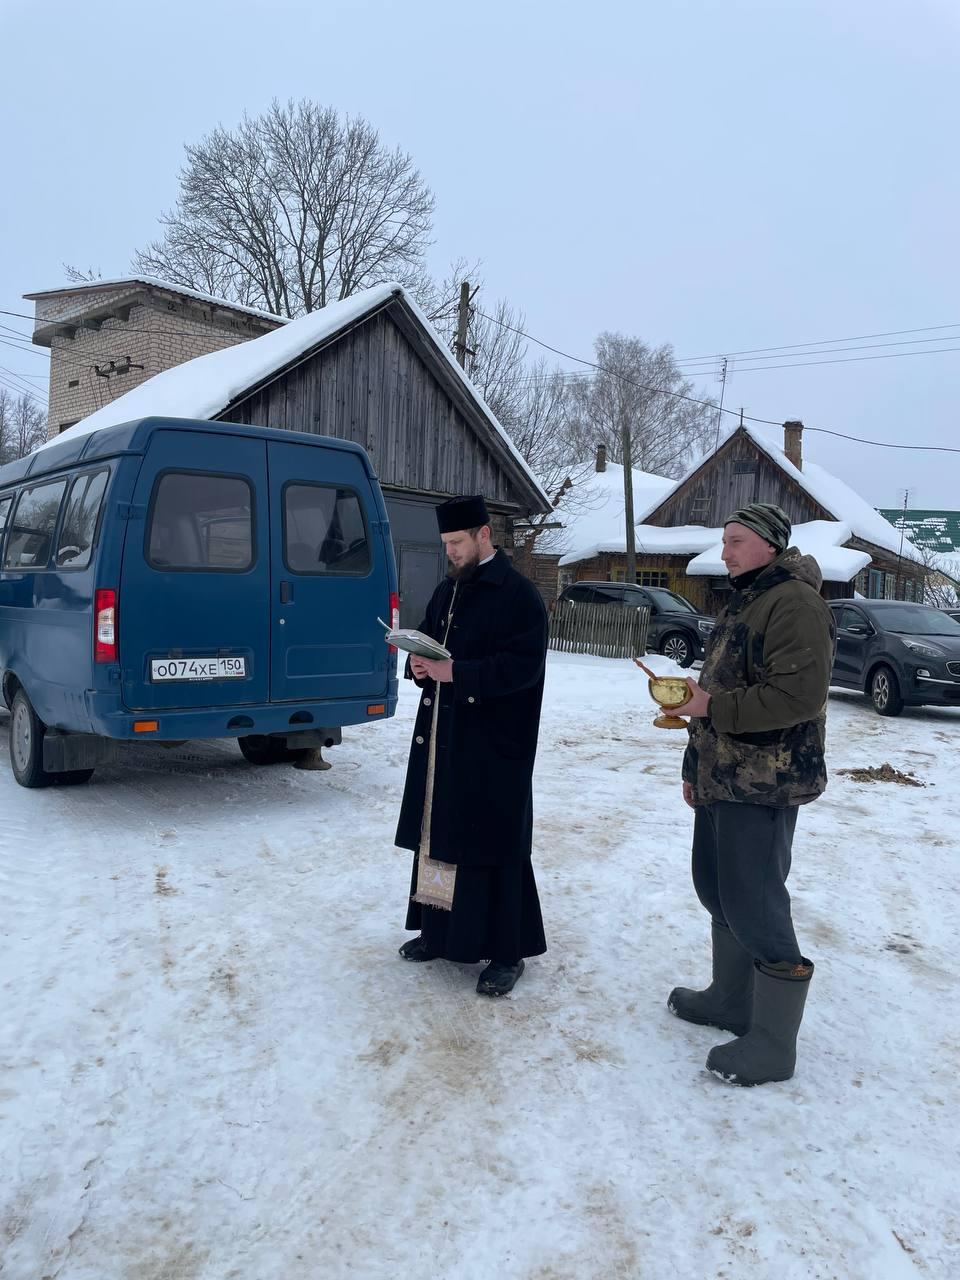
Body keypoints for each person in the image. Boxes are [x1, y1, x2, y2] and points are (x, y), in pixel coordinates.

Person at [669, 502, 835, 1086]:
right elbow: (713, 690)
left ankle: (773, 1045)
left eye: (736, 541)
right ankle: (730, 1000)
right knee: (715, 888)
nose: (725, 552)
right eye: (725, 541)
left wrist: (711, 707)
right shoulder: (746, 599)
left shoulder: (796, 603)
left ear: (769, 544)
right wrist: (694, 764)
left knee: (755, 903)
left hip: (764, 781)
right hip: (721, 776)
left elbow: (798, 697)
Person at [394, 495, 549, 996]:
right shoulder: (448, 589)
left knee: (492, 843)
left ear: (484, 534)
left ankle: (507, 952)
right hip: (444, 739)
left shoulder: (519, 595)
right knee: (439, 834)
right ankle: (438, 932)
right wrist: (418, 665)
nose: (450, 552)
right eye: (445, 544)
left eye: (457, 542)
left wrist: (456, 673)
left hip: (494, 747)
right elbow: (430, 643)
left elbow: (522, 668)